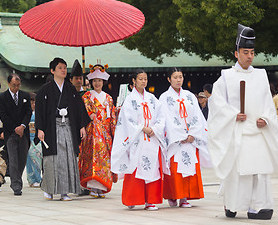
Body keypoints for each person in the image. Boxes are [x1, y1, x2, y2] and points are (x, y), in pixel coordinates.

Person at [208, 24, 278, 220]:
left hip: (258, 131)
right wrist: (232, 115)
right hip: (238, 131)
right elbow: (217, 104)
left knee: (260, 172)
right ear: (236, 53)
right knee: (240, 173)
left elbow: (268, 104)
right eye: (245, 52)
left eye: (252, 52)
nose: (249, 56)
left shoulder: (261, 75)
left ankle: (260, 207)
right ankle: (233, 204)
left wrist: (266, 118)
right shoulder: (226, 77)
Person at [35, 57, 90, 201]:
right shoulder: (44, 91)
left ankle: (65, 191)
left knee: (68, 159)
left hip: (68, 127)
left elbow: (79, 109)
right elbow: (40, 111)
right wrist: (40, 129)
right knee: (52, 159)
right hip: (51, 128)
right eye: (60, 68)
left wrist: (82, 126)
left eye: (65, 67)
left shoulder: (70, 89)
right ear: (52, 71)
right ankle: (49, 189)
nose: (64, 70)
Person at [111, 69, 166, 210]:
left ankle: (150, 200)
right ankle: (133, 198)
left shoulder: (152, 99)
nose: (143, 81)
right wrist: (142, 128)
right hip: (137, 138)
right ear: (134, 81)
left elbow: (161, 116)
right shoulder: (129, 100)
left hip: (152, 137)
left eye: (145, 79)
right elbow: (127, 120)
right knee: (136, 167)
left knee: (153, 167)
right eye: (140, 79)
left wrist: (155, 128)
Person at [159, 67, 210, 208]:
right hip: (176, 140)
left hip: (190, 139)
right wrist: (179, 135)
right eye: (175, 77)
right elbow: (166, 119)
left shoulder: (189, 96)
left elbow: (197, 116)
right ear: (169, 79)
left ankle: (185, 197)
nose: (178, 80)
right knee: (175, 169)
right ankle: (174, 195)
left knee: (189, 167)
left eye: (180, 77)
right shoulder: (164, 97)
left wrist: (193, 133)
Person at [79, 63, 117, 198]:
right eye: (94, 81)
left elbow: (111, 116)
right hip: (92, 132)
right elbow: (84, 113)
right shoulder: (86, 96)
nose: (97, 83)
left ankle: (102, 186)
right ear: (91, 82)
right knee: (92, 157)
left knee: (104, 159)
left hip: (105, 133)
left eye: (99, 81)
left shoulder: (109, 98)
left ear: (103, 81)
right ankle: (93, 187)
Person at [0, 73, 32, 196]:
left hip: (23, 132)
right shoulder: (2, 97)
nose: (16, 88)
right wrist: (15, 128)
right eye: (13, 85)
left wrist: (23, 126)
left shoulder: (25, 95)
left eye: (18, 85)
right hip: (10, 132)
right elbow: (3, 115)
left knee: (22, 159)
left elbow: (28, 112)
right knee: (13, 160)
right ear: (8, 84)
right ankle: (16, 185)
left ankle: (17, 179)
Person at [26, 92, 42, 188]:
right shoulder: (26, 113)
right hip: (29, 138)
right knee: (30, 159)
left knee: (38, 158)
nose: (33, 105)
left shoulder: (39, 113)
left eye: (35, 102)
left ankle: (38, 178)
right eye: (31, 103)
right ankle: (32, 179)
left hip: (37, 138)